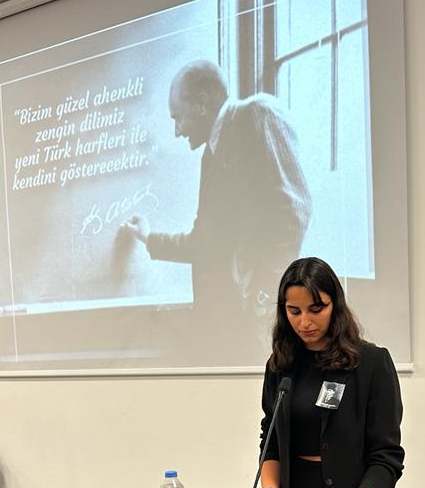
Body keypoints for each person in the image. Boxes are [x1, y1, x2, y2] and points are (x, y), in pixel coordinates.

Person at [122, 60, 312, 331]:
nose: (177, 131)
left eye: (178, 117)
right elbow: (205, 241)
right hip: (227, 326)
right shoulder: (210, 155)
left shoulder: (257, 113)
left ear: (202, 103)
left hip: (258, 321)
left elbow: (292, 210)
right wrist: (148, 237)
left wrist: (265, 297)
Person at [251, 257, 404, 488]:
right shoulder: (280, 366)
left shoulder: (371, 363)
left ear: (336, 305)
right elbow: (270, 442)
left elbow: (386, 457)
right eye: (294, 311)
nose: (304, 322)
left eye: (316, 309)